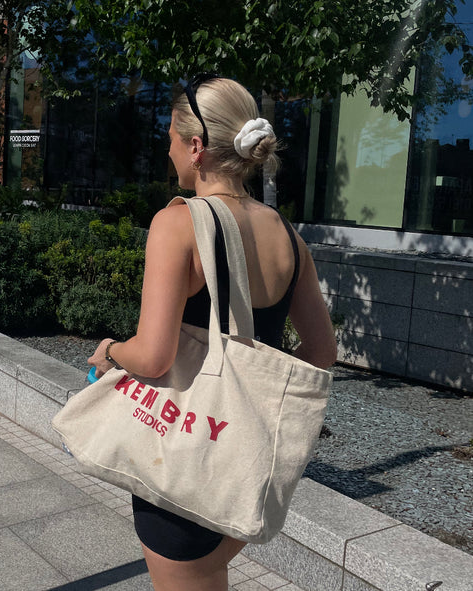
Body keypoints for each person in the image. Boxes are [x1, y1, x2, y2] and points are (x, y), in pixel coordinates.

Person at [87, 74, 337, 591]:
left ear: (196, 147)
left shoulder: (178, 224)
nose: (168, 150)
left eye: (172, 140)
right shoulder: (289, 236)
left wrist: (111, 351)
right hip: (240, 468)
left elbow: (154, 356)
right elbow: (322, 351)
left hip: (184, 461)